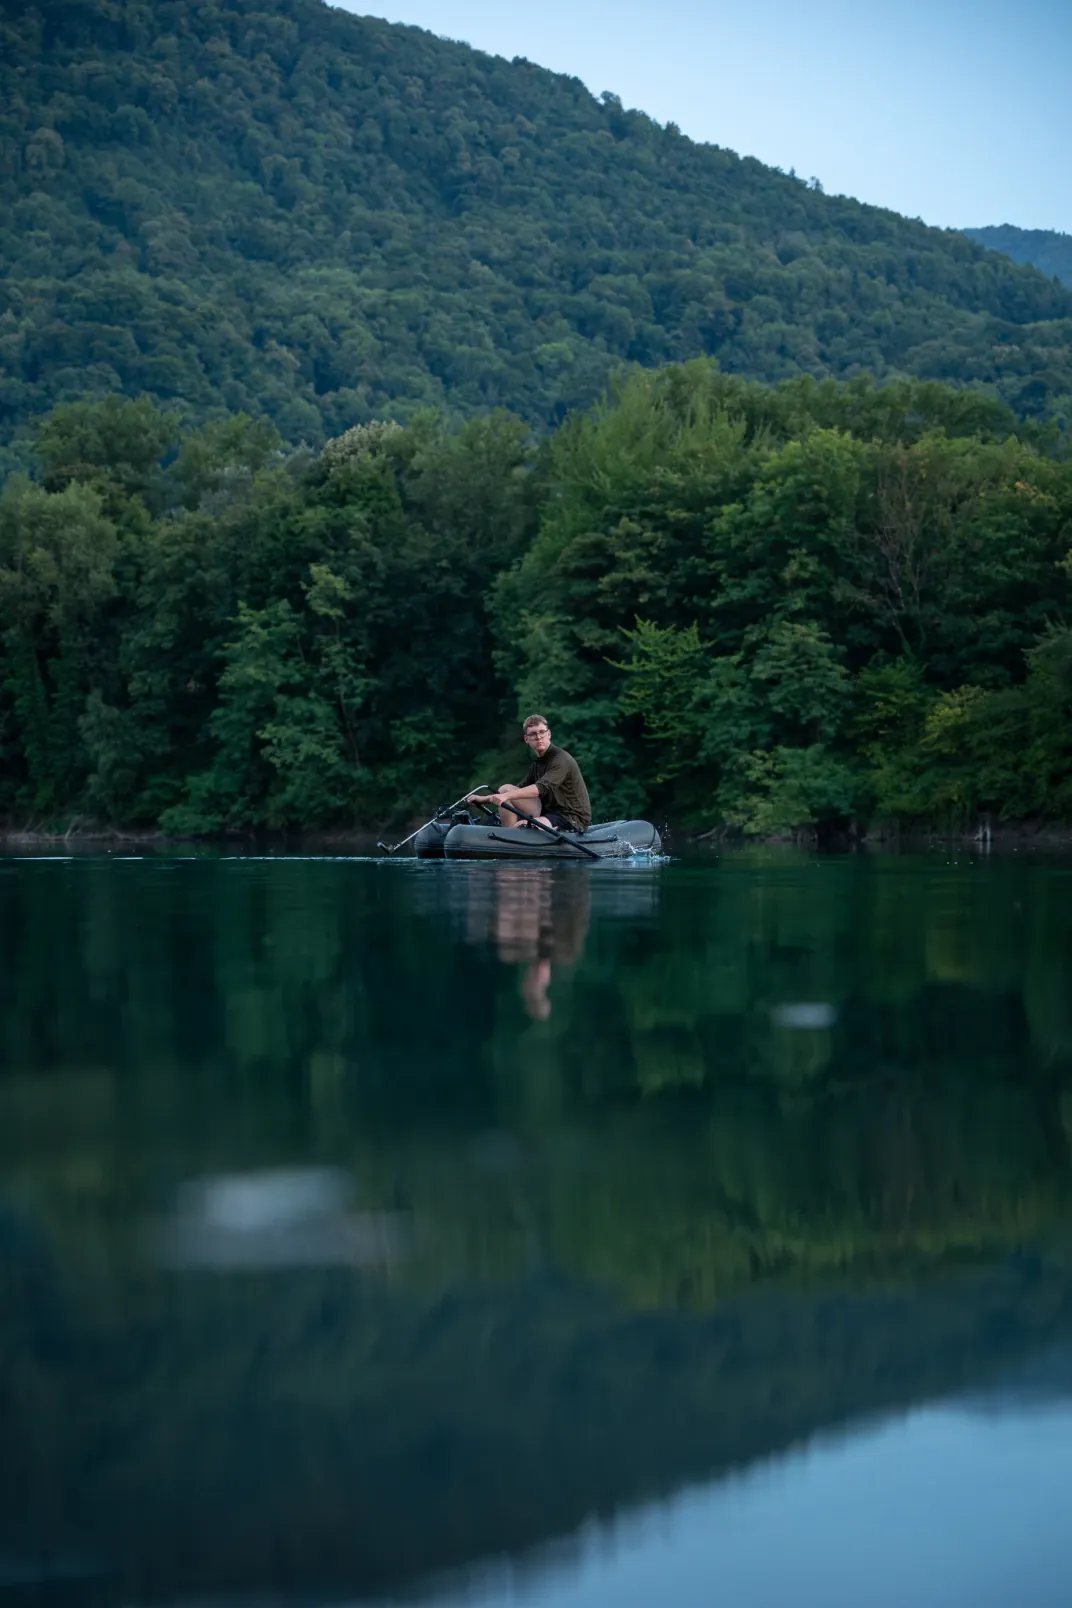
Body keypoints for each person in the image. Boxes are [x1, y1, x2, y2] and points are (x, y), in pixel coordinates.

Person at [469, 714, 592, 833]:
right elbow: (519, 791)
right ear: (526, 739)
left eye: (542, 732)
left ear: (549, 734)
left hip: (570, 817)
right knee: (505, 789)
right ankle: (509, 836)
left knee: (520, 822)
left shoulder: (561, 759)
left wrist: (506, 796)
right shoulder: (537, 764)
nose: (538, 737)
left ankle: (515, 836)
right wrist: (482, 800)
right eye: (533, 734)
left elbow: (540, 788)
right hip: (548, 812)